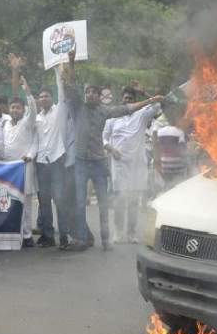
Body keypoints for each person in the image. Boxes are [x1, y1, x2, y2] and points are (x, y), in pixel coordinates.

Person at [62, 51, 164, 251]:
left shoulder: (106, 111)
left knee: (103, 203)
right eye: (87, 92)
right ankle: (82, 239)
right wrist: (72, 62)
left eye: (93, 92)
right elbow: (71, 86)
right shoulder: (77, 107)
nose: (89, 95)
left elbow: (129, 109)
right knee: (80, 202)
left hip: (100, 164)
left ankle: (106, 239)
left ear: (100, 97)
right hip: (81, 162)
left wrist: (148, 99)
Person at [103, 87, 162, 243]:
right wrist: (111, 149)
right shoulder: (112, 119)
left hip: (137, 165)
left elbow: (157, 105)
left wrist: (144, 92)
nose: (127, 101)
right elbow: (103, 138)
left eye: (130, 99)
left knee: (134, 200)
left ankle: (131, 233)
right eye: (125, 99)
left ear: (134, 101)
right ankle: (118, 232)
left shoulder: (141, 115)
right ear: (121, 100)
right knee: (120, 200)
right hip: (119, 164)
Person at [0, 55, 39, 246]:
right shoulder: (5, 123)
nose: (15, 110)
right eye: (12, 107)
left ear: (23, 110)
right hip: (8, 169)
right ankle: (13, 233)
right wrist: (13, 71)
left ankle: (27, 235)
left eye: (18, 108)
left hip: (25, 167)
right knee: (10, 200)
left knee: (27, 202)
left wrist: (27, 91)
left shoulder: (27, 122)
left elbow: (32, 107)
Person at [34, 66, 69, 248]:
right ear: (38, 101)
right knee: (44, 201)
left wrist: (58, 71)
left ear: (52, 98)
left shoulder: (59, 111)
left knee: (60, 200)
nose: (43, 98)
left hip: (57, 161)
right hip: (41, 164)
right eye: (41, 97)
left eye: (46, 95)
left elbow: (62, 92)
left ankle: (64, 236)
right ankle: (48, 236)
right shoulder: (36, 118)